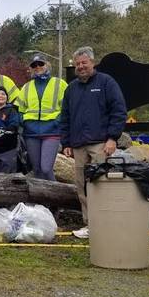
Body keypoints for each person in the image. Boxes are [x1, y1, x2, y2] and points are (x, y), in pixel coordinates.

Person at [59, 46, 128, 239]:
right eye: (78, 64)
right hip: (78, 145)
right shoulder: (71, 88)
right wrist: (66, 143)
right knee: (82, 186)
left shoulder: (106, 83)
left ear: (92, 62)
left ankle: (106, 223)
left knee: (101, 184)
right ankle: (89, 224)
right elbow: (65, 117)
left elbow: (119, 111)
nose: (81, 67)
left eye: (84, 63)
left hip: (101, 144)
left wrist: (112, 138)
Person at [19, 54, 68, 181]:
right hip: (31, 133)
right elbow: (20, 109)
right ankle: (42, 194)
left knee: (46, 168)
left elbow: (67, 107)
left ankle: (55, 192)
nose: (37, 67)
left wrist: (57, 122)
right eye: (34, 65)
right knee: (36, 169)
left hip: (52, 131)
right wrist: (24, 123)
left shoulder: (60, 84)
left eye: (40, 64)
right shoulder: (26, 87)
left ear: (47, 65)